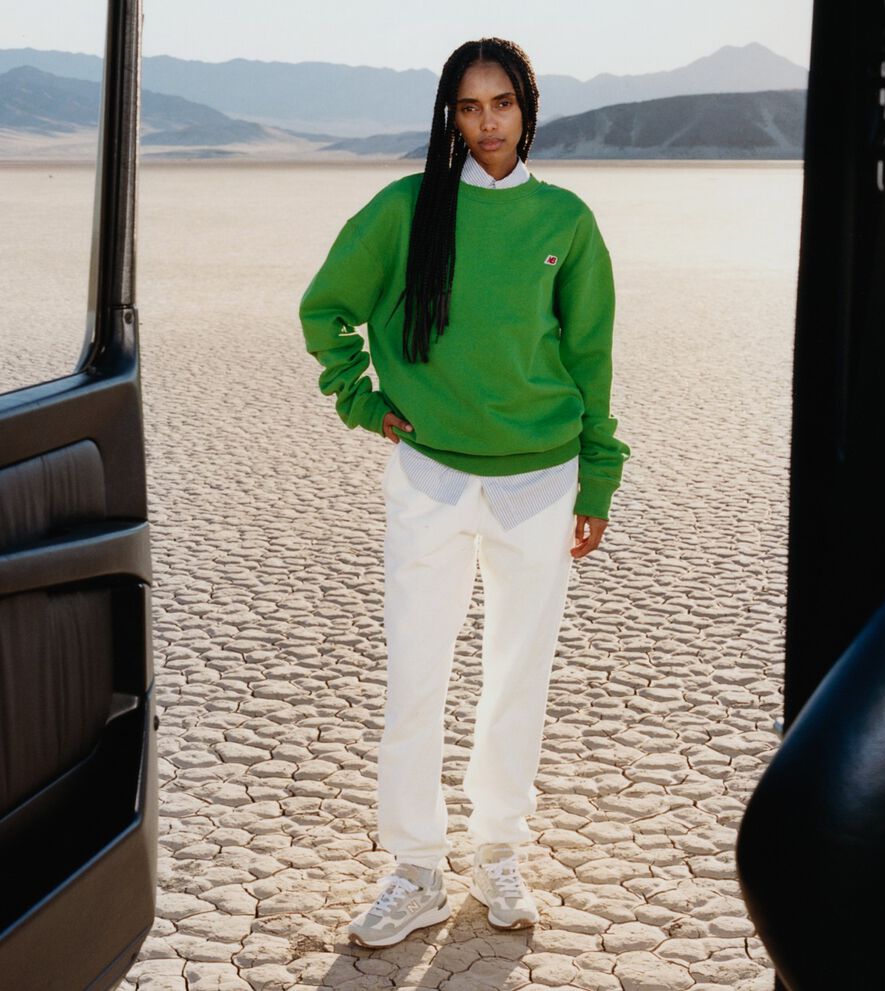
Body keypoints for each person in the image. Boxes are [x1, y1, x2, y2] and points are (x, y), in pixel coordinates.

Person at [299, 36, 629, 948]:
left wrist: (597, 471)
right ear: (448, 115)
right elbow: (324, 309)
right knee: (416, 677)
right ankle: (415, 868)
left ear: (528, 109)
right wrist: (364, 401)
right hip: (430, 479)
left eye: (502, 105)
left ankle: (496, 848)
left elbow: (589, 357)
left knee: (516, 677)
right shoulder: (407, 208)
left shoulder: (565, 219)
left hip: (542, 479)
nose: (486, 124)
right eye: (468, 107)